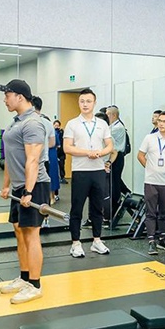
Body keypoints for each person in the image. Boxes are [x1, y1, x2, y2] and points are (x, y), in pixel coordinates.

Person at [0, 79, 51, 304]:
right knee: (19, 231)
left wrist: (28, 191)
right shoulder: (15, 122)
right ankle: (25, 277)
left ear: (19, 97)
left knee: (31, 234)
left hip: (34, 185)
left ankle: (35, 285)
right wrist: (6, 185)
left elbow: (33, 160)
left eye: (7, 95)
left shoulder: (33, 123)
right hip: (19, 186)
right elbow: (10, 157)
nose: (4, 100)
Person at [63, 88, 114, 258]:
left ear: (94, 103)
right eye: (82, 101)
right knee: (77, 208)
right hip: (80, 171)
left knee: (97, 207)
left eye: (89, 101)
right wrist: (87, 152)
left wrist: (100, 153)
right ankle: (75, 243)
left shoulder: (102, 124)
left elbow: (109, 145)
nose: (85, 104)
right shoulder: (72, 124)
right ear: (79, 103)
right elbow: (67, 148)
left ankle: (97, 241)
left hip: (98, 170)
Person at [137, 111, 165, 255]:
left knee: (164, 212)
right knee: (150, 212)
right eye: (160, 120)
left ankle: (162, 239)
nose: (161, 124)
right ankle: (151, 241)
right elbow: (140, 155)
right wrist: (150, 168)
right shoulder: (149, 138)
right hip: (151, 181)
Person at [31, 97, 59, 213]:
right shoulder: (48, 123)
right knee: (43, 188)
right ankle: (44, 215)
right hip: (44, 159)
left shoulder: (27, 122)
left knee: (30, 189)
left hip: (30, 161)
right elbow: (52, 143)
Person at [107, 106, 130, 216]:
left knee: (114, 182)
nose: (106, 117)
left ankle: (115, 206)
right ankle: (126, 192)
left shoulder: (117, 128)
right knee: (114, 181)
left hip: (117, 156)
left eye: (107, 114)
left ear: (114, 115)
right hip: (112, 155)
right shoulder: (112, 126)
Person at [53, 120, 67, 185]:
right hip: (54, 151)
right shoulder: (52, 132)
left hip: (61, 151)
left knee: (62, 165)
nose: (56, 127)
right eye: (55, 125)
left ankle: (62, 177)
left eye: (58, 125)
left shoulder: (62, 132)